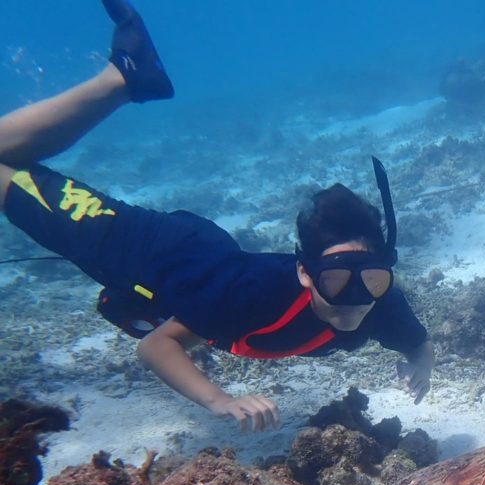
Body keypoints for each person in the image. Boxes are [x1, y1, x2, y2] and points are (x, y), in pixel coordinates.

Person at [0, 0, 435, 432]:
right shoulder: (255, 295)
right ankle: (122, 78)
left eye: (373, 279)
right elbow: (156, 347)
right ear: (305, 272)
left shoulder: (380, 302)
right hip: (138, 246)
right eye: (336, 280)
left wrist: (421, 364)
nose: (356, 296)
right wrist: (219, 400)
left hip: (196, 264)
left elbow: (419, 344)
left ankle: (125, 78)